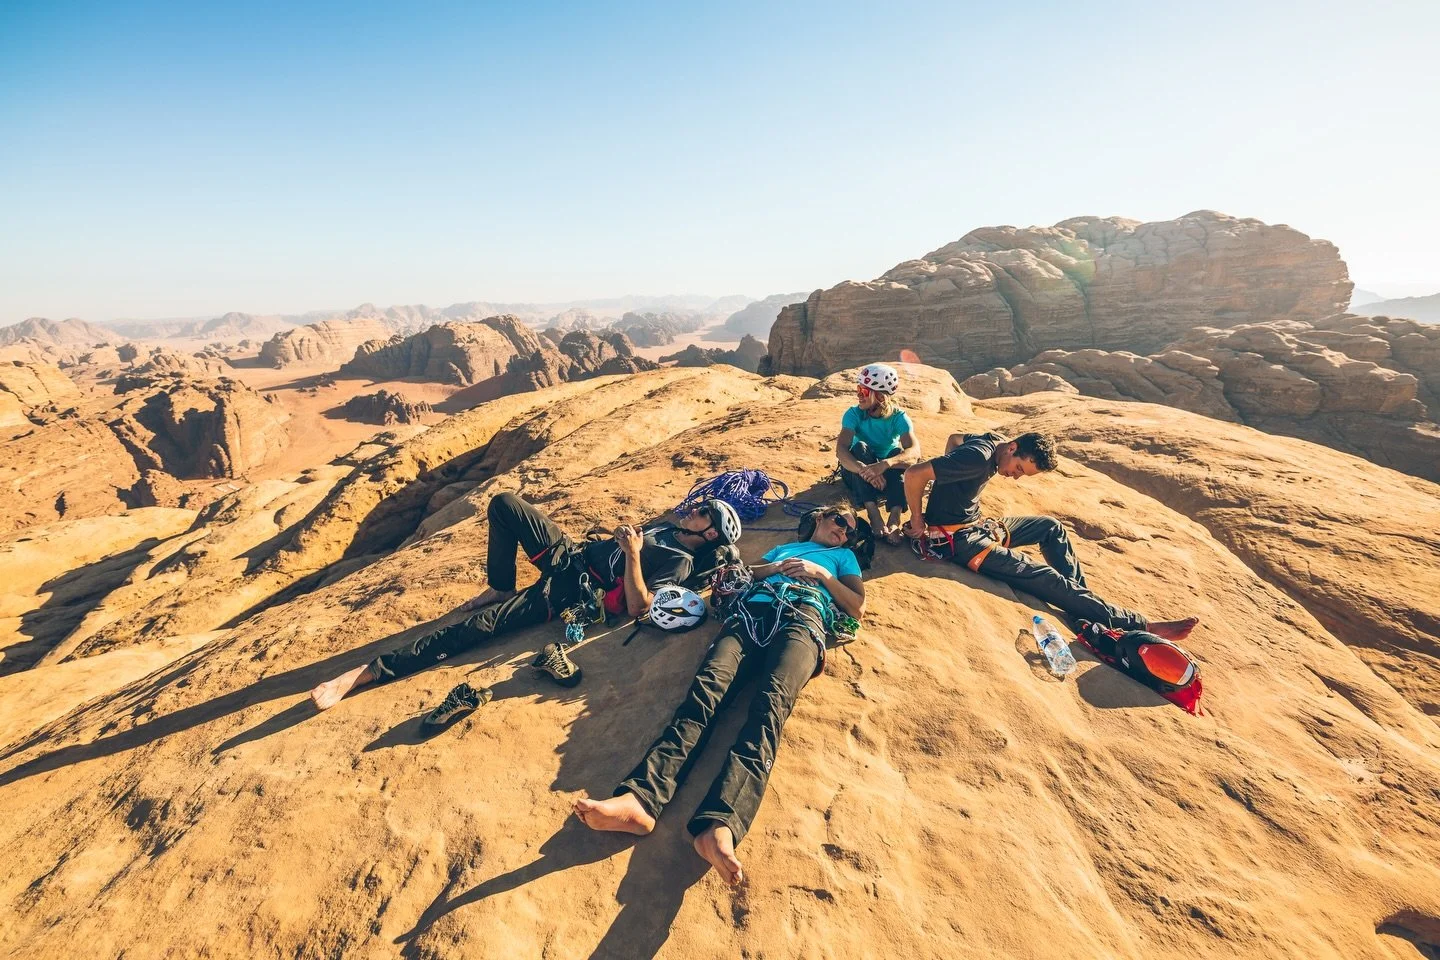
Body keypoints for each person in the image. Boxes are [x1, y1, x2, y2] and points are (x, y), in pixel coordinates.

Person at [573, 505, 866, 886]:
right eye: (840, 521)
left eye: (850, 530)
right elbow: (752, 572)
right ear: (821, 518)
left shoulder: (843, 558)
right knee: (705, 694)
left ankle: (720, 826)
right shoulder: (785, 548)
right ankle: (640, 799)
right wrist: (776, 567)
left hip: (803, 618)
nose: (844, 531)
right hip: (750, 614)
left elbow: (857, 606)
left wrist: (821, 574)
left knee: (769, 709)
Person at [309, 491, 743, 709]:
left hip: (573, 593)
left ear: (710, 534)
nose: (694, 509)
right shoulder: (670, 527)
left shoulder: (682, 561)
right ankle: (500, 584)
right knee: (504, 504)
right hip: (570, 557)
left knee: (476, 629)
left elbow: (640, 607)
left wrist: (632, 554)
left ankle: (367, 673)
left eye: (703, 512)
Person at [902, 431, 1198, 641]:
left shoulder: (993, 442)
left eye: (1022, 474)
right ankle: (1140, 625)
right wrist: (918, 519)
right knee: (1044, 577)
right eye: (1019, 468)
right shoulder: (978, 458)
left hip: (979, 526)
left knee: (1050, 527)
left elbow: (955, 439)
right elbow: (914, 474)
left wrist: (950, 480)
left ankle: (1083, 611)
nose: (1015, 476)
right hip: (960, 542)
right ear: (1013, 448)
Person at [835, 363, 922, 545]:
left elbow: (915, 453)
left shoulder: (899, 417)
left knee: (898, 454)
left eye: (864, 391)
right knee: (860, 448)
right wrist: (865, 470)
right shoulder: (853, 414)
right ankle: (873, 513)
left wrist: (885, 465)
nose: (859, 395)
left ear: (881, 396)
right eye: (858, 389)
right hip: (858, 475)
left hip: (884, 475)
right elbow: (841, 450)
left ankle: (895, 517)